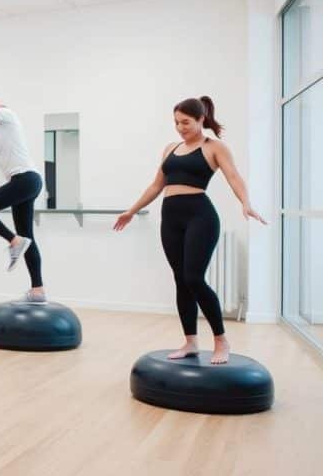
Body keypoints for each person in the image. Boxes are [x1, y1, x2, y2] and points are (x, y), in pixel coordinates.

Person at [114, 96, 266, 364]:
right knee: (180, 280)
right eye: (176, 122)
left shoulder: (214, 147)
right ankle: (190, 342)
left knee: (194, 278)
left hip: (200, 216)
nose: (180, 127)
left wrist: (246, 203)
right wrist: (132, 209)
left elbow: (234, 176)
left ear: (200, 120)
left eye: (186, 122)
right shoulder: (170, 149)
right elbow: (155, 185)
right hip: (170, 217)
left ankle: (221, 340)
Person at [0, 95, 46, 303]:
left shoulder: (8, 116)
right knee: (27, 236)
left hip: (25, 179)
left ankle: (14, 241)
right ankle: (38, 290)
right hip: (27, 181)